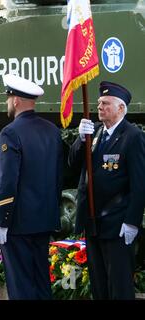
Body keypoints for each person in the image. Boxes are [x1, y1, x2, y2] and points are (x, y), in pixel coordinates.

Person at [69, 81, 145, 299]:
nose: (99, 107)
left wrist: (132, 221)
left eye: (106, 103)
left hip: (117, 223)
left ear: (121, 108)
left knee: (119, 287)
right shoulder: (96, 134)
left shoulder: (132, 136)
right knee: (99, 286)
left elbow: (140, 184)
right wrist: (81, 140)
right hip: (93, 222)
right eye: (99, 102)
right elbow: (73, 165)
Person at [0, 74, 62, 300]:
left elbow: (7, 182)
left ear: (15, 101)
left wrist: (2, 220)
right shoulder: (51, 130)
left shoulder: (10, 132)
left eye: (8, 98)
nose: (7, 103)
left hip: (19, 223)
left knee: (21, 286)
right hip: (44, 221)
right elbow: (57, 175)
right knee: (42, 283)